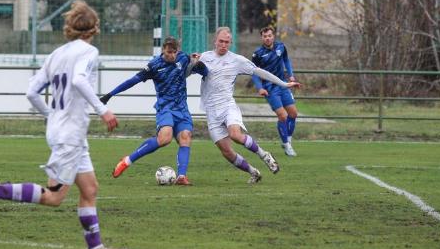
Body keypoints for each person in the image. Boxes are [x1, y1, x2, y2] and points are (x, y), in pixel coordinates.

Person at [0, 0, 131, 249]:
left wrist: (52, 115)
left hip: (64, 131)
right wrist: (104, 110)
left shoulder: (56, 54)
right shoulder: (88, 52)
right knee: (55, 196)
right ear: (94, 28)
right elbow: (78, 79)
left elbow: (31, 92)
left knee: (89, 189)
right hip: (70, 134)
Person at [196, 27, 301, 184]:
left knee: (235, 135)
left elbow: (260, 72)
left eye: (227, 42)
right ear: (215, 41)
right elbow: (187, 72)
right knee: (226, 152)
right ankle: (253, 172)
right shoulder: (204, 57)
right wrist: (191, 63)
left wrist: (284, 84)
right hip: (211, 111)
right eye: (221, 41)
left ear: (230, 43)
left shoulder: (237, 60)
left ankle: (264, 155)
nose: (223, 44)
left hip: (227, 106)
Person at [100, 37, 208, 185]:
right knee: (165, 138)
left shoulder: (183, 58)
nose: (172, 55)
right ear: (163, 50)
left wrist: (200, 64)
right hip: (165, 108)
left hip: (182, 109)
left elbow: (204, 72)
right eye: (169, 52)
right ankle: (126, 161)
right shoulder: (154, 66)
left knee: (185, 136)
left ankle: (181, 177)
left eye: (174, 52)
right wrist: (109, 95)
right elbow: (131, 81)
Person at [251, 26, 299, 157]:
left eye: (269, 36)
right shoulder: (258, 53)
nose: (267, 38)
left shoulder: (281, 47)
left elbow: (286, 60)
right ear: (262, 38)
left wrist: (291, 75)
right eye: (265, 36)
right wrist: (260, 87)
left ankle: (287, 140)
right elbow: (254, 73)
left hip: (283, 85)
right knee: (282, 115)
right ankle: (287, 146)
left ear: (273, 36)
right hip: (270, 88)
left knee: (293, 114)